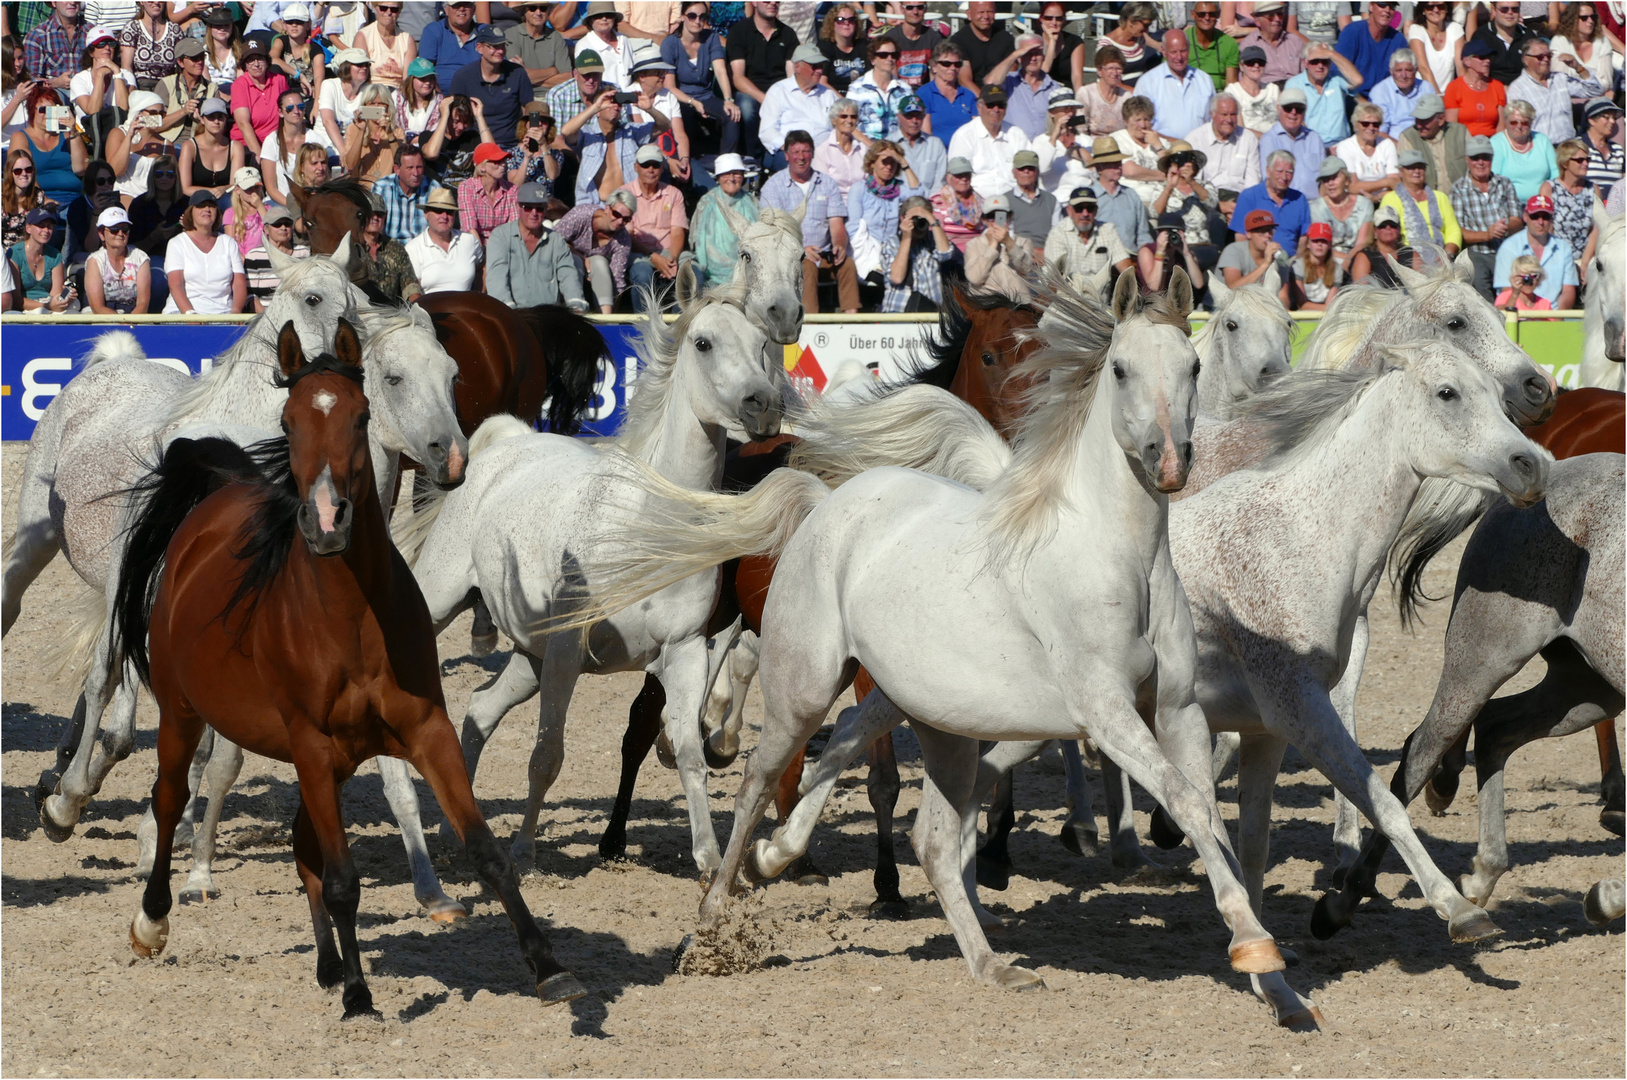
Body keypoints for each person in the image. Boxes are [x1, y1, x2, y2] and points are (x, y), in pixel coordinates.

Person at [761, 127, 856, 313]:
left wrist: (839, 245)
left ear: (812, 154)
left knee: (847, 265)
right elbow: (773, 231)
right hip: (788, 258)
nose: (801, 157)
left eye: (805, 151)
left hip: (824, 253)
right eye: (796, 152)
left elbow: (837, 225)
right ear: (787, 156)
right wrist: (801, 250)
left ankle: (852, 321)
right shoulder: (773, 187)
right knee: (807, 266)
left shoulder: (827, 183)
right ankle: (811, 324)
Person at [484, 178, 586, 308]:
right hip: (513, 315)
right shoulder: (500, 236)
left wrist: (576, 304)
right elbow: (496, 278)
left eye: (539, 208)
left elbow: (568, 276)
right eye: (528, 207)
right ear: (518, 207)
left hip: (547, 317)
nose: (534, 213)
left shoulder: (556, 240)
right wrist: (509, 312)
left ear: (545, 210)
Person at [1451, 132, 1523, 298]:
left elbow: (1517, 220)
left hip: (1506, 249)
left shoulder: (1504, 183)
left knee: (1514, 290)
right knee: (1481, 291)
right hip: (1476, 253)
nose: (1481, 162)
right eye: (1475, 158)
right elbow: (1460, 232)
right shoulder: (1459, 189)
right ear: (1467, 160)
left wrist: (1504, 227)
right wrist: (1488, 234)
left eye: (1485, 157)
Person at [566, 81, 662, 205]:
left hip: (628, 205)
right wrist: (595, 107)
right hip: (594, 205)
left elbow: (664, 126)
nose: (616, 106)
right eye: (610, 102)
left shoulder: (631, 131)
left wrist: (650, 109)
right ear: (598, 110)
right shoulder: (587, 134)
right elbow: (566, 132)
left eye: (618, 103)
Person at [664, 0, 738, 156]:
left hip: (705, 95)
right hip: (682, 98)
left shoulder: (711, 38)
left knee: (732, 115)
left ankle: (727, 164)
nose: (697, 21)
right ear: (683, 17)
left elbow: (720, 70)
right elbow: (670, 86)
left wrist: (728, 99)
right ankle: (690, 163)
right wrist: (693, 102)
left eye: (702, 17)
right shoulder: (670, 43)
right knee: (686, 116)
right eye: (692, 16)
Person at [726, 0, 797, 161]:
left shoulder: (788, 34)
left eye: (776, 1)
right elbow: (738, 78)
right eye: (767, 1)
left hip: (779, 91)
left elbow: (791, 76)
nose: (773, 3)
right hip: (750, 91)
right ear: (754, 2)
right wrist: (766, 100)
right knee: (747, 108)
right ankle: (753, 161)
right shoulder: (739, 31)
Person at [619, 142, 686, 306]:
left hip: (669, 251)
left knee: (692, 272)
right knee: (642, 274)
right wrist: (655, 257)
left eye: (655, 165)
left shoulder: (673, 193)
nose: (650, 169)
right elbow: (628, 237)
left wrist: (673, 258)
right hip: (638, 253)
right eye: (645, 165)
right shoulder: (624, 193)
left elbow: (677, 231)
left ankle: (682, 325)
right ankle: (644, 325)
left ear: (663, 168)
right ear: (636, 167)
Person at [449, 24, 534, 151]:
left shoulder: (517, 73)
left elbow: (529, 109)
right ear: (479, 47)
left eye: (502, 46)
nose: (500, 51)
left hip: (512, 144)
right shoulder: (463, 76)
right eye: (494, 46)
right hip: (475, 144)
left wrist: (527, 139)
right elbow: (453, 112)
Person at [9, 84, 89, 219]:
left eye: (53, 110)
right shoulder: (21, 137)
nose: (47, 114)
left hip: (73, 199)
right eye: (43, 110)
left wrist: (74, 131)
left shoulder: (67, 135)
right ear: (32, 111)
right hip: (40, 201)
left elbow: (81, 168)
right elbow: (22, 174)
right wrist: (43, 199)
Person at [1507, 36, 1602, 145]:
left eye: (1549, 56)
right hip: (1539, 148)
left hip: (1568, 148)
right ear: (1526, 60)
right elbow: (1517, 127)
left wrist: (1578, 67)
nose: (1546, 60)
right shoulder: (1517, 89)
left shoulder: (1560, 79)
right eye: (1540, 57)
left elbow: (1595, 90)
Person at [163, 188, 244, 312]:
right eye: (201, 206)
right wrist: (190, 315)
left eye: (211, 206)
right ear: (191, 211)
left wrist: (236, 311)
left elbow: (239, 283)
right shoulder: (177, 243)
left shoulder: (228, 242)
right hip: (183, 314)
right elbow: (176, 285)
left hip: (222, 314)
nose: (207, 209)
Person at [1493, 193, 1577, 309]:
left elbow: (1568, 291)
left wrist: (1556, 320)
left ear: (1551, 219)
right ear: (1525, 217)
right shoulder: (1508, 247)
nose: (1540, 221)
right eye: (1535, 216)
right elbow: (1506, 290)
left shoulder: (1563, 248)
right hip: (1518, 314)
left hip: (1553, 315)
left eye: (1545, 217)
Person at [947, 84, 1029, 200]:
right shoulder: (964, 136)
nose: (996, 110)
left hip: (1015, 201)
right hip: (978, 202)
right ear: (979, 107)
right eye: (990, 105)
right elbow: (956, 178)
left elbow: (1030, 171)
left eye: (1000, 105)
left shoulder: (1017, 134)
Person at [1088, 135, 1154, 280]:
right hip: (1098, 262)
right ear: (1099, 168)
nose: (1118, 167)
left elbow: (1143, 235)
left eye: (1119, 162)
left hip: (1131, 260)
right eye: (1111, 164)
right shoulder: (1088, 197)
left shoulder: (1131, 195)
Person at [553, 191, 632, 310]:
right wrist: (579, 256)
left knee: (600, 262)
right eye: (616, 214)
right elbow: (554, 240)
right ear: (607, 208)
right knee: (574, 260)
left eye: (626, 219)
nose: (620, 221)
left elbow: (618, 281)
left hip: (598, 270)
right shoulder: (581, 214)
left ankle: (607, 321)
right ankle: (576, 310)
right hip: (570, 259)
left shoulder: (623, 239)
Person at [759, 44, 835, 167]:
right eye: (814, 66)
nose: (819, 71)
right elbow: (767, 132)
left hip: (826, 154)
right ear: (797, 66)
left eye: (821, 66)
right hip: (791, 155)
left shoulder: (828, 94)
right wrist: (793, 150)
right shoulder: (778, 91)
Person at [1151, 138, 1218, 272]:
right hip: (1173, 247)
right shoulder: (1161, 188)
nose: (1182, 164)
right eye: (1177, 160)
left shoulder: (1204, 186)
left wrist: (1191, 182)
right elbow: (1154, 213)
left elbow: (1212, 204)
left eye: (1187, 159)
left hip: (1202, 245)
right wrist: (1169, 187)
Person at [688, 152, 756, 286]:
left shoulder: (752, 202)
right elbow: (695, 238)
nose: (731, 178)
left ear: (742, 176)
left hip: (747, 271)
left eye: (736, 173)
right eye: (726, 174)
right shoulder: (707, 202)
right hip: (713, 272)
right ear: (718, 178)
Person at [1044, 187, 1134, 285]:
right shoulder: (1058, 233)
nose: (1085, 213)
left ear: (1096, 210)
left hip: (1099, 298)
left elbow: (1125, 268)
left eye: (1090, 208)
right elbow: (1054, 276)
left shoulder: (1108, 230)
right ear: (1069, 210)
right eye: (1079, 208)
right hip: (1068, 297)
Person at [1380, 148, 1461, 256]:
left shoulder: (1440, 197)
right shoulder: (1390, 199)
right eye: (1411, 168)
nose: (1416, 171)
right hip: (1405, 257)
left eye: (1420, 167)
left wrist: (1447, 254)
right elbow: (1387, 233)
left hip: (1441, 256)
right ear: (1401, 171)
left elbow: (1453, 229)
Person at [1189, 92, 1259, 216]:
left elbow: (1252, 182)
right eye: (1224, 114)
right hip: (1208, 201)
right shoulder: (1195, 139)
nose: (1229, 119)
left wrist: (1241, 208)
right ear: (1212, 115)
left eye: (1233, 114)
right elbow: (1194, 183)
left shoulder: (1248, 138)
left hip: (1240, 201)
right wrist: (1219, 206)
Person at [1137, 28, 1214, 141]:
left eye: (1183, 51)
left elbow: (1212, 120)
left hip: (1200, 148)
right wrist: (1175, 144)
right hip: (1162, 148)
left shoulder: (1204, 80)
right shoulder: (1148, 82)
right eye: (1174, 52)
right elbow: (1139, 125)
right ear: (1163, 51)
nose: (1179, 57)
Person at [407, 183, 483, 293]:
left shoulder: (469, 241)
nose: (444, 216)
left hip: (466, 307)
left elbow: (482, 268)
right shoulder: (413, 248)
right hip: (431, 309)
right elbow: (414, 291)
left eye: (449, 212)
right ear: (426, 214)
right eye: (438, 211)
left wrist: (479, 298)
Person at [1231, 148, 1310, 255]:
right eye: (1279, 171)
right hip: (1258, 263)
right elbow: (1240, 237)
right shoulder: (1249, 196)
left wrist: (1297, 261)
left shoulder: (1299, 199)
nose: (1284, 177)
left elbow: (1304, 238)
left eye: (1289, 172)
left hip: (1291, 263)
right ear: (1268, 171)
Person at [962, 193, 1036, 303]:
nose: (996, 221)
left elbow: (1026, 270)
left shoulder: (1023, 242)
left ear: (1009, 217)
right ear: (984, 219)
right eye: (991, 217)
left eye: (1001, 216)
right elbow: (974, 278)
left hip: (1019, 307)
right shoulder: (973, 245)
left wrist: (1009, 243)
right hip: (987, 307)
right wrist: (992, 247)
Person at [983, 34, 1058, 142]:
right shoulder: (1008, 81)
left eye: (1037, 53)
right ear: (1019, 57)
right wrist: (1016, 54)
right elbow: (990, 84)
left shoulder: (1054, 88)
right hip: (1013, 147)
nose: (1033, 58)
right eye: (1027, 53)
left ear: (1043, 56)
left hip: (1044, 149)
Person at [1286, 41, 1362, 146]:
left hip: (1341, 144)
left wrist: (1331, 54)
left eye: (1325, 61)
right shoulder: (1294, 84)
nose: (1320, 66)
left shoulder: (1337, 79)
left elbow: (1358, 81)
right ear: (1305, 63)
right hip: (1310, 144)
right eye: (1315, 61)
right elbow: (1293, 119)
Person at [230, 32, 289, 161]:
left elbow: (288, 113)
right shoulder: (239, 85)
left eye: (260, 59)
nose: (256, 64)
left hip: (276, 142)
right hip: (247, 145)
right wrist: (260, 155)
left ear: (267, 61)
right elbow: (243, 123)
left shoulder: (279, 80)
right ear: (244, 64)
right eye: (251, 60)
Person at [1309, 157, 1372, 275]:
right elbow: (1320, 244)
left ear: (1347, 180)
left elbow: (1362, 243)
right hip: (1326, 259)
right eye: (1326, 180)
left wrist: (1349, 259)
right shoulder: (1316, 207)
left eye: (1334, 178)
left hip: (1357, 258)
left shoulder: (1364, 204)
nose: (1330, 183)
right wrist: (1344, 260)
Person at [1257, 89, 1324, 200]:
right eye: (1288, 108)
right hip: (1285, 203)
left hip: (1314, 204)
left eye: (1299, 109)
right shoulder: (1269, 140)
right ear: (1279, 109)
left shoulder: (1314, 138)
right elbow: (1268, 180)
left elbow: (1324, 179)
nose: (1293, 112)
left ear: (1305, 111)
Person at [104, 89, 168, 204]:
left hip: (152, 201)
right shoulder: (119, 134)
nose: (158, 117)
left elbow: (169, 181)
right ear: (139, 113)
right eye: (153, 112)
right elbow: (115, 171)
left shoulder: (166, 144)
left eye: (161, 114)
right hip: (123, 196)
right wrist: (129, 136)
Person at [11, 204, 79, 310]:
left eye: (49, 227)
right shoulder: (14, 253)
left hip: (48, 305)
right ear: (28, 228)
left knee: (75, 305)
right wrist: (46, 306)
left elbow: (55, 294)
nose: (46, 230)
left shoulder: (55, 255)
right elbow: (16, 300)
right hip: (24, 310)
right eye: (41, 226)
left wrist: (63, 298)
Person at [82, 202, 149, 312]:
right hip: (104, 316)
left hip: (134, 315)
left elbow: (143, 303)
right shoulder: (94, 261)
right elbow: (97, 307)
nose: (120, 233)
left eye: (125, 229)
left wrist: (129, 324)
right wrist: (121, 323)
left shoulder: (141, 258)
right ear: (101, 233)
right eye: (114, 229)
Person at [339, 82, 406, 187]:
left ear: (388, 106)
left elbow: (402, 165)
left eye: (380, 103)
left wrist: (390, 135)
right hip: (361, 190)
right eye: (372, 104)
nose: (376, 107)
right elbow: (350, 166)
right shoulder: (353, 129)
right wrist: (361, 131)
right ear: (364, 106)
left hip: (388, 189)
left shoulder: (397, 133)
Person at [370, 142, 440, 244]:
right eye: (410, 168)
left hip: (423, 250)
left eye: (419, 167)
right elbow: (371, 225)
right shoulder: (382, 188)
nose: (416, 173)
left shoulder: (433, 188)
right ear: (397, 169)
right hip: (390, 248)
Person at [154, 37, 219, 143]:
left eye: (202, 57)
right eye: (194, 58)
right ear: (180, 62)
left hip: (199, 144)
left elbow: (219, 128)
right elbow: (153, 125)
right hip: (168, 143)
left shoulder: (212, 88)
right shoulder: (166, 84)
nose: (199, 62)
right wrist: (183, 111)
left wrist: (202, 121)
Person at [1492, 99, 1559, 202]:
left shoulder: (1542, 140)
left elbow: (1556, 173)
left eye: (1524, 123)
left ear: (1531, 123)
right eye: (1513, 122)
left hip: (1542, 204)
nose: (1519, 126)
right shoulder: (1496, 143)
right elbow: (1493, 179)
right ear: (1505, 122)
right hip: (1509, 204)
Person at [1550, 139, 1599, 276]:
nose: (1585, 163)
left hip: (1585, 259)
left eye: (1587, 159)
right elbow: (1547, 229)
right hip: (1556, 259)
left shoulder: (1593, 189)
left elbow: (1596, 230)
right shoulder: (1550, 189)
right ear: (1565, 163)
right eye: (1580, 160)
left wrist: (1585, 264)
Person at [1399, 93, 1466, 192]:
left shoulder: (1460, 132)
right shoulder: (1408, 137)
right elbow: (1406, 176)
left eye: (1425, 120)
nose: (1419, 125)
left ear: (1441, 120)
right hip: (1426, 199)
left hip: (1460, 196)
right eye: (1417, 119)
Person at [847, 36, 910, 142]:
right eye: (883, 55)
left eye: (893, 55)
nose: (889, 59)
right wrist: (871, 147)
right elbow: (849, 125)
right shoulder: (856, 88)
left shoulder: (904, 89)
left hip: (897, 148)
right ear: (872, 60)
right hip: (865, 149)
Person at [180, 97, 242, 201]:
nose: (216, 121)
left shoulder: (235, 147)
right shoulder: (189, 146)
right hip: (196, 200)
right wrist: (211, 192)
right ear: (202, 120)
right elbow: (185, 188)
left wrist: (223, 189)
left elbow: (236, 184)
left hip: (225, 198)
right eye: (211, 117)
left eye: (220, 117)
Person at [456, 139, 517, 245]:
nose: (503, 165)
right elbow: (469, 228)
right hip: (475, 246)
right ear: (482, 166)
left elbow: (514, 227)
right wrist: (482, 257)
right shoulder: (467, 188)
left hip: (504, 246)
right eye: (497, 161)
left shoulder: (512, 189)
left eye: (503, 161)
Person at [1334, 0, 1402, 92]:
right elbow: (1337, 75)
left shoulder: (1399, 40)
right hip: (1352, 97)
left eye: (1392, 6)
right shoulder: (1351, 32)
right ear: (1371, 7)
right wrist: (1357, 98)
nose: (1387, 10)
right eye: (1382, 4)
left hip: (1385, 99)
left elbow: (1402, 78)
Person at [1444, 37, 1506, 138]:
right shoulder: (1454, 87)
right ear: (1467, 61)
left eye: (1489, 57)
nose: (1487, 61)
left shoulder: (1497, 86)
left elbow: (1501, 126)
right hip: (1465, 142)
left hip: (1491, 143)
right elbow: (1452, 128)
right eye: (1482, 57)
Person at [917, 40, 976, 145]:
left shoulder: (968, 96)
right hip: (937, 154)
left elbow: (977, 130)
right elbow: (926, 134)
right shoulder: (924, 94)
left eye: (957, 64)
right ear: (934, 67)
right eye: (946, 63)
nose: (952, 68)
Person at [259, 89, 310, 208]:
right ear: (281, 112)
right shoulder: (272, 141)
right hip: (280, 203)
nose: (296, 111)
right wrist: (293, 206)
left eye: (301, 107)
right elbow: (271, 188)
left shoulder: (315, 139)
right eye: (290, 108)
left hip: (309, 204)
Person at [1337, 101, 1400, 197]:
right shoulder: (1345, 147)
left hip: (1385, 197)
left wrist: (1379, 197)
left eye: (1376, 124)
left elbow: (1395, 181)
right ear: (1355, 125)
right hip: (1357, 199)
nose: (1371, 128)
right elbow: (1352, 186)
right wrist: (1386, 182)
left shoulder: (1387, 144)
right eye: (1365, 124)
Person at [1236, 2, 1305, 88]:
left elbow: (1306, 73)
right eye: (1270, 15)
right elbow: (1245, 79)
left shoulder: (1295, 41)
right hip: (1265, 91)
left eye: (1279, 14)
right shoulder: (1249, 45)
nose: (1277, 19)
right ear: (1257, 21)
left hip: (1294, 89)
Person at [549, 49, 610, 146]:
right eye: (586, 75)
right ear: (575, 74)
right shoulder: (558, 95)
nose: (591, 80)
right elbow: (556, 139)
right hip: (570, 153)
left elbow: (624, 128)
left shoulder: (611, 92)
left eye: (595, 75)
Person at [879, 0, 945, 89]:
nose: (915, 12)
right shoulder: (890, 38)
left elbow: (938, 73)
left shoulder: (933, 37)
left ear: (925, 9)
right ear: (902, 9)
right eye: (909, 7)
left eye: (920, 7)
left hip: (923, 93)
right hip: (897, 91)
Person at [505, 0, 570, 91]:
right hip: (523, 96)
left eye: (543, 8)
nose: (538, 12)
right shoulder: (511, 35)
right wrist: (553, 71)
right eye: (533, 8)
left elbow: (567, 78)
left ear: (548, 12)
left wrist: (530, 77)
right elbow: (516, 75)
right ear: (524, 11)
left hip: (554, 96)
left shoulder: (556, 37)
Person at [1551, 4, 1617, 93]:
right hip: (1571, 100)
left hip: (1597, 99)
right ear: (1572, 19)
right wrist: (1591, 90)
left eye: (1593, 17)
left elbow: (1606, 83)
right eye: (1584, 18)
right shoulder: (1560, 42)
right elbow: (1560, 82)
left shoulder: (1601, 41)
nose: (1590, 21)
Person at [24, 2, 90, 91]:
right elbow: (30, 80)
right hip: (54, 92)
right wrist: (55, 82)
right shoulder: (38, 35)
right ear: (54, 3)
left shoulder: (91, 32)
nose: (72, 2)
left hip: (87, 91)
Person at [418, 0, 485, 86]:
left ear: (474, 8)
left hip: (478, 91)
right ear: (446, 10)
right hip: (443, 94)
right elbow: (424, 71)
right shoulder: (433, 30)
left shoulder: (485, 32)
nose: (461, 8)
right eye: (456, 5)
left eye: (466, 4)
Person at [316, 47, 371, 151]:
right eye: (359, 65)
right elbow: (327, 121)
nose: (364, 68)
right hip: (325, 144)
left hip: (355, 146)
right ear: (345, 67)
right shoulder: (329, 85)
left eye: (367, 65)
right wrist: (344, 151)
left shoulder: (368, 90)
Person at [1350, 202, 1418, 286]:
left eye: (1392, 225)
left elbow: (1423, 284)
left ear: (1399, 229)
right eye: (1383, 225)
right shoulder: (1365, 256)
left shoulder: (1410, 253)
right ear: (1375, 231)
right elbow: (1360, 289)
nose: (1388, 228)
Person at [1468, 0, 1535, 85]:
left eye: (1515, 9)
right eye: (1504, 9)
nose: (1510, 12)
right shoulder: (1481, 36)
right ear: (1494, 10)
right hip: (1493, 91)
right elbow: (1479, 76)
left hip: (1524, 90)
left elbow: (1536, 73)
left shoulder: (1529, 36)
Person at [119, 0, 181, 92]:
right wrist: (132, 92)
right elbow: (126, 67)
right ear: (141, 2)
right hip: (141, 86)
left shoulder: (174, 30)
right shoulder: (132, 28)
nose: (156, 2)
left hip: (168, 87)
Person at [1216, 207, 1285, 289]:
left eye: (1270, 230)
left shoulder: (1279, 255)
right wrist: (1266, 264)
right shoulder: (1233, 251)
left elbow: (1283, 295)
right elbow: (1233, 287)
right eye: (1262, 231)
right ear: (1249, 234)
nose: (1268, 235)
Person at [1004, 148, 1057, 256]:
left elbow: (1057, 234)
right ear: (1014, 173)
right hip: (1014, 255)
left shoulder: (1052, 201)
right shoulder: (1003, 201)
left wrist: (1046, 253)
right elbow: (1002, 234)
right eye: (1021, 168)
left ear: (1037, 172)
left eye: (1030, 168)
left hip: (1047, 255)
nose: (1026, 171)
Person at [949, 1, 1015, 87]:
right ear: (969, 14)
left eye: (990, 12)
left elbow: (1011, 75)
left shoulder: (1006, 39)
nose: (986, 16)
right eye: (981, 12)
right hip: (971, 96)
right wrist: (983, 99)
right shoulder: (959, 40)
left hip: (1001, 93)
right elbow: (964, 80)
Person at [272, 2, 330, 99]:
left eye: (299, 22)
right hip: (284, 96)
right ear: (284, 25)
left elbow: (318, 80)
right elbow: (272, 59)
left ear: (308, 25)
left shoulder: (315, 49)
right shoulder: (281, 41)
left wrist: (316, 107)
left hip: (307, 96)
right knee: (274, 68)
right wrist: (299, 75)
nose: (294, 25)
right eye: (290, 22)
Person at [505, 101, 563, 196]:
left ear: (548, 126)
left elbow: (552, 175)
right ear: (526, 124)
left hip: (545, 202)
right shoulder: (513, 153)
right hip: (522, 202)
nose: (539, 124)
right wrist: (526, 158)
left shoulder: (556, 154)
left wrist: (543, 144)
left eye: (543, 121)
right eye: (534, 121)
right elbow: (515, 186)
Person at [1283, 220, 1344, 310]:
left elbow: (1330, 303)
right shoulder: (1297, 266)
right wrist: (1328, 309)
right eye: (1315, 240)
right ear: (1308, 243)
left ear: (1330, 245)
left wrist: (1329, 309)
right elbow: (1301, 304)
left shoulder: (1337, 268)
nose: (1319, 244)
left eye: (1324, 241)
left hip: (1325, 315)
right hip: (1301, 315)